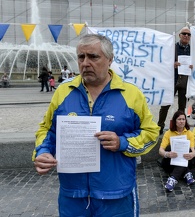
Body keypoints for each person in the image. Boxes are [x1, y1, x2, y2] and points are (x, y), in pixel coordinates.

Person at [32, 34, 159, 216]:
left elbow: (151, 133)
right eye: (81, 57)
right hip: (73, 196)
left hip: (116, 195)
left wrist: (122, 142)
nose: (85, 63)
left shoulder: (131, 94)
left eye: (93, 57)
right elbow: (47, 130)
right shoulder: (63, 92)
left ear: (110, 60)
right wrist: (43, 151)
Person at [158, 27, 192, 135]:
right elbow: (163, 61)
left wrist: (192, 66)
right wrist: (172, 64)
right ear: (180, 35)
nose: (186, 36)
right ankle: (160, 126)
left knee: (182, 107)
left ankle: (181, 128)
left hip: (184, 81)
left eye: (188, 34)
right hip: (172, 80)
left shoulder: (192, 50)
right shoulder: (172, 47)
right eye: (184, 33)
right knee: (165, 105)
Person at [159, 111, 195, 192]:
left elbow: (193, 150)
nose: (182, 121)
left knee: (188, 150)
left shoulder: (189, 133)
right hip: (171, 160)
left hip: (185, 160)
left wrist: (192, 154)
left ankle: (173, 179)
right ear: (175, 121)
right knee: (169, 148)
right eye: (179, 119)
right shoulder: (168, 133)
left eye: (183, 119)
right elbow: (161, 150)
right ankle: (186, 173)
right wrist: (167, 154)